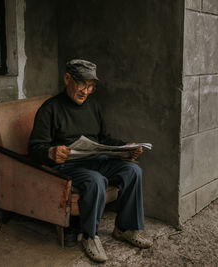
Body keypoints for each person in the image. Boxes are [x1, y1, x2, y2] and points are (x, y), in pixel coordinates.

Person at [28, 59, 152, 262]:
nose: (85, 91)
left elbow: (104, 139)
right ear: (67, 79)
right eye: (81, 84)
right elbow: (34, 148)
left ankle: (125, 229)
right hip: (68, 165)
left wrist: (125, 147)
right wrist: (50, 152)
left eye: (90, 87)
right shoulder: (50, 109)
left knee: (133, 170)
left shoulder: (94, 107)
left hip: (96, 159)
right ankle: (88, 236)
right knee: (96, 180)